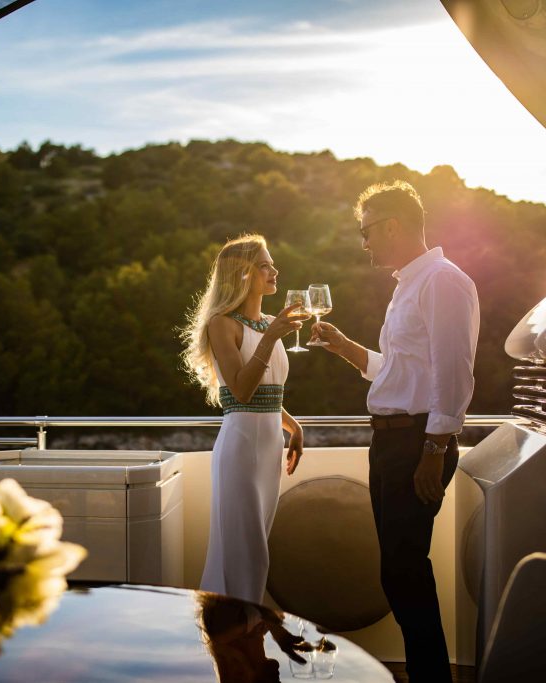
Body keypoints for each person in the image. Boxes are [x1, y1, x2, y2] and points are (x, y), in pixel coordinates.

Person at [310, 181, 479, 683]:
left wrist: (435, 447)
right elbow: (405, 371)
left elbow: (454, 371)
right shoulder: (409, 284)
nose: (364, 244)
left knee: (405, 570)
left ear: (392, 226)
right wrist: (345, 349)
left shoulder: (443, 281)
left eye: (367, 233)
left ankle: (431, 679)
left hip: (417, 443)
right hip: (392, 442)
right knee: (398, 570)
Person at [180, 233, 306, 604]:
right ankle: (241, 639)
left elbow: (267, 394)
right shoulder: (223, 324)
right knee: (247, 553)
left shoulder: (269, 322)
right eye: (264, 265)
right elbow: (241, 392)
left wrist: (293, 426)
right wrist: (271, 337)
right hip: (241, 450)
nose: (274, 270)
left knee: (255, 549)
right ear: (243, 275)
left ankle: (235, 638)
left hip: (269, 449)